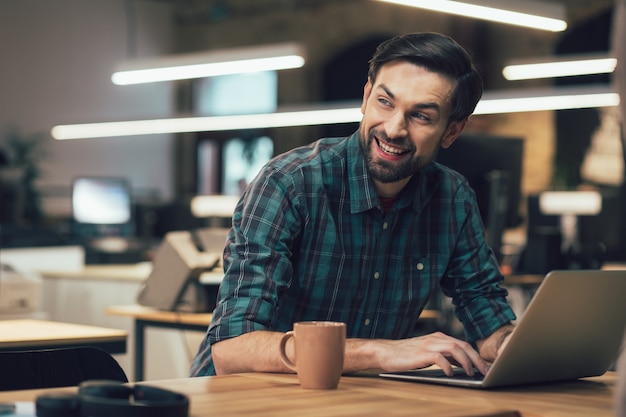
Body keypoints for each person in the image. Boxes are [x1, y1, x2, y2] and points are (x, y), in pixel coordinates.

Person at [190, 32, 516, 378]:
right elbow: (232, 348)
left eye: (421, 116)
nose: (394, 129)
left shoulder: (453, 199)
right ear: (366, 97)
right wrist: (381, 352)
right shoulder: (290, 183)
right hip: (247, 396)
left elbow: (487, 315)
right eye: (385, 102)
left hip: (356, 397)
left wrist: (514, 343)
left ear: (452, 131)